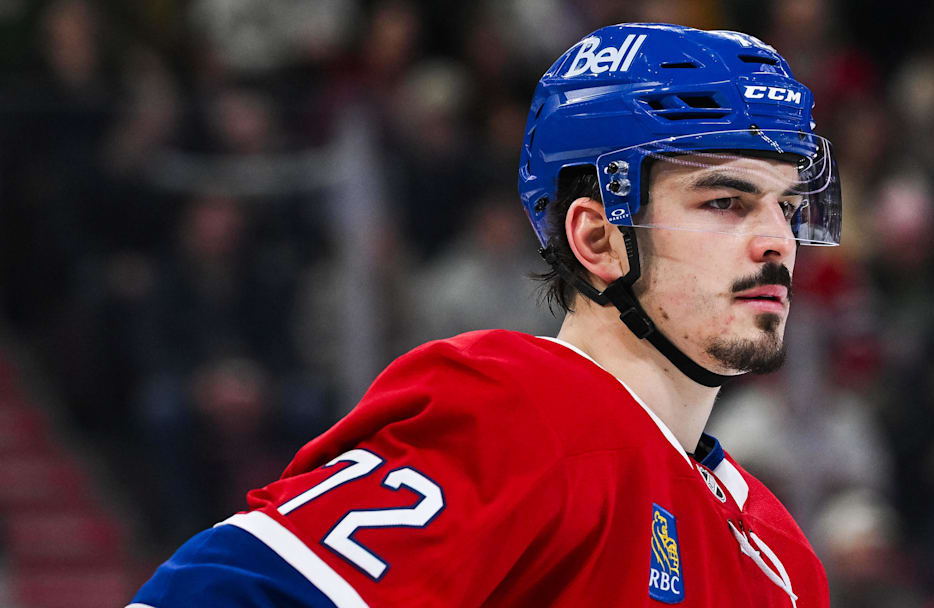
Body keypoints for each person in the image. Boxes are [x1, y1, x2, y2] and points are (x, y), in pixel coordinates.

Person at [128, 23, 841, 607]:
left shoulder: (782, 555)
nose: (777, 237)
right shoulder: (526, 414)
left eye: (785, 203)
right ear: (597, 238)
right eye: (725, 202)